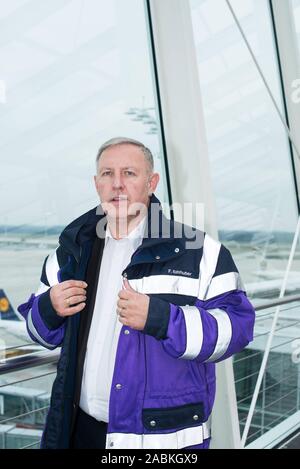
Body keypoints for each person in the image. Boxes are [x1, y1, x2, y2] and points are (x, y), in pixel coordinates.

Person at [18, 137, 255, 449]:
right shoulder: (69, 254)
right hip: (78, 431)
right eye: (107, 174)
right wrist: (49, 307)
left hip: (158, 440)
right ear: (96, 184)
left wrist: (163, 319)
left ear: (151, 182)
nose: (117, 184)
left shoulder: (201, 252)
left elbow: (237, 328)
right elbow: (37, 332)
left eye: (129, 173)